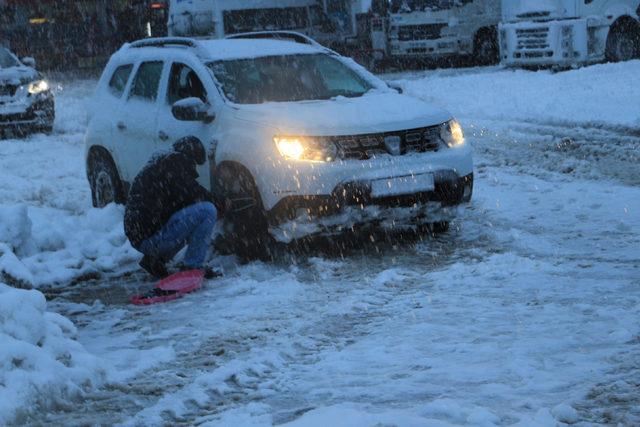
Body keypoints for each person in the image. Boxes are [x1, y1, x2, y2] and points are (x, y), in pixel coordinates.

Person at [124, 136, 218, 278]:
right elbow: (194, 192)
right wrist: (222, 202)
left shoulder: (161, 165)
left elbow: (182, 200)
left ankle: (154, 260)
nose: (194, 167)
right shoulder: (175, 165)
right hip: (149, 239)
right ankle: (192, 267)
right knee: (207, 211)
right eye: (195, 163)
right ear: (190, 157)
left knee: (191, 218)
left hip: (141, 237)